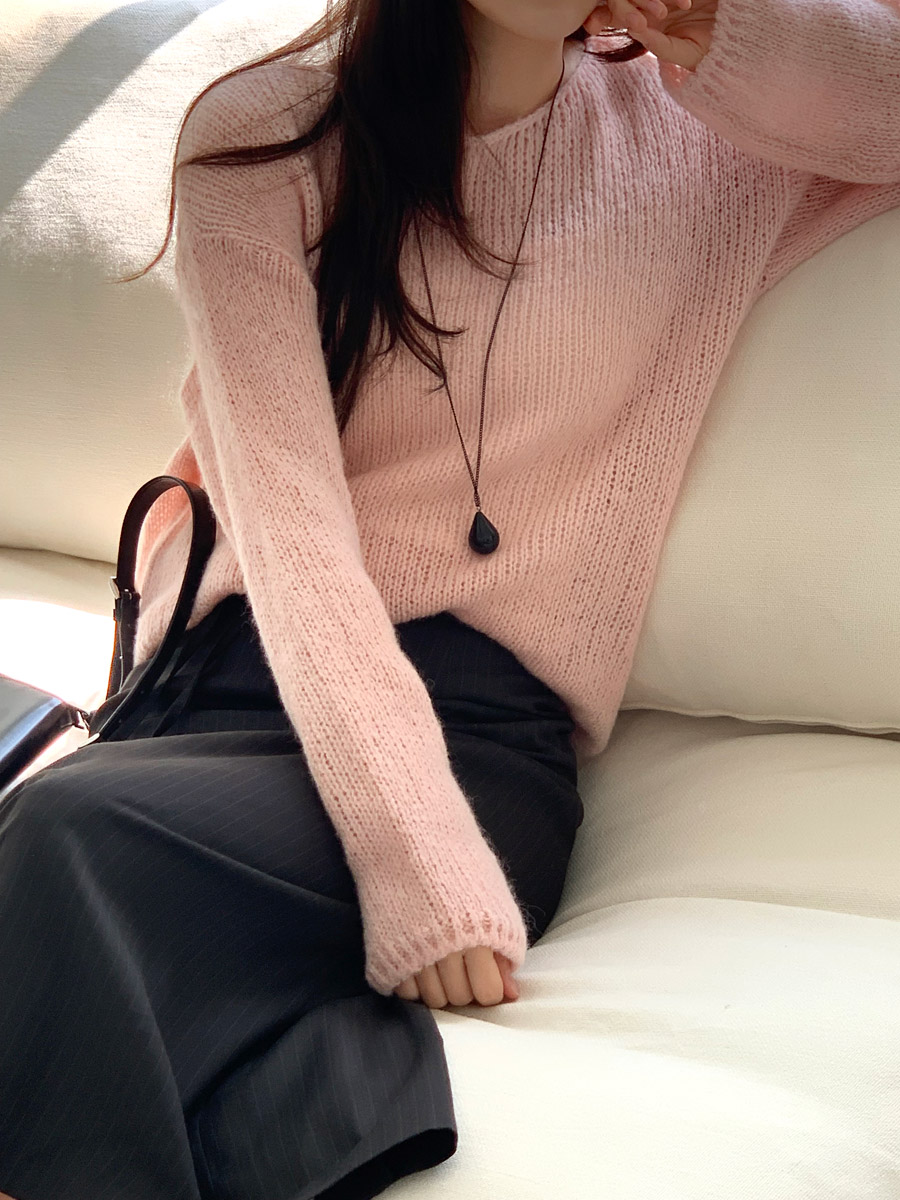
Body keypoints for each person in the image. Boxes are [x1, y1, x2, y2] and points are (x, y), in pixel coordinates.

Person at [2, 0, 899, 1196]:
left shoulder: (705, 137)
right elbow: (290, 527)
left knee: (65, 839)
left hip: (479, 741)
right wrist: (406, 848)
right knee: (64, 861)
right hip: (234, 681)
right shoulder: (262, 142)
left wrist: (733, 28)